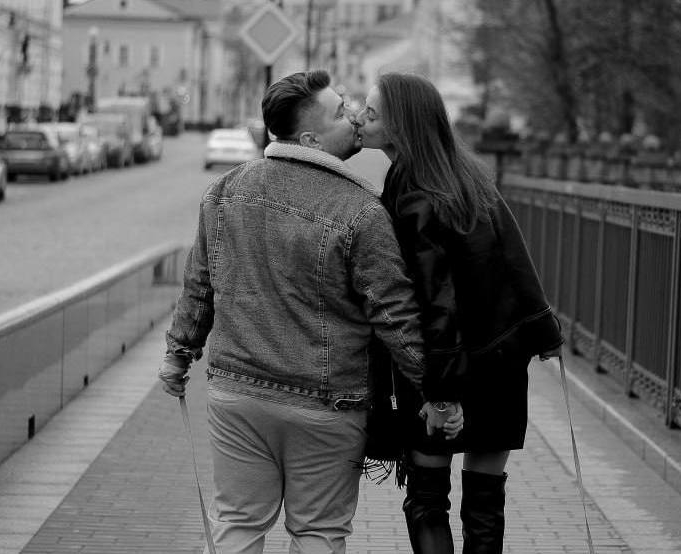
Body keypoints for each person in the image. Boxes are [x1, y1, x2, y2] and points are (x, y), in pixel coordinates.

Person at [157, 69, 462, 554]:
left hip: (238, 393)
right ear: (310, 140)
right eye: (340, 112)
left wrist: (178, 356)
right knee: (319, 532)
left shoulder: (225, 191)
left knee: (238, 523)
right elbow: (395, 316)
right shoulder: (362, 212)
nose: (355, 118)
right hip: (327, 403)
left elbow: (199, 285)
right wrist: (437, 392)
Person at [354, 73, 564, 554]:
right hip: (501, 362)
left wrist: (442, 394)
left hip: (443, 366)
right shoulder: (466, 175)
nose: (360, 119)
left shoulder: (414, 193)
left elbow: (436, 299)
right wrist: (544, 331)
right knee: (486, 503)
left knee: (428, 500)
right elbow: (516, 256)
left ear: (401, 125)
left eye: (371, 112)